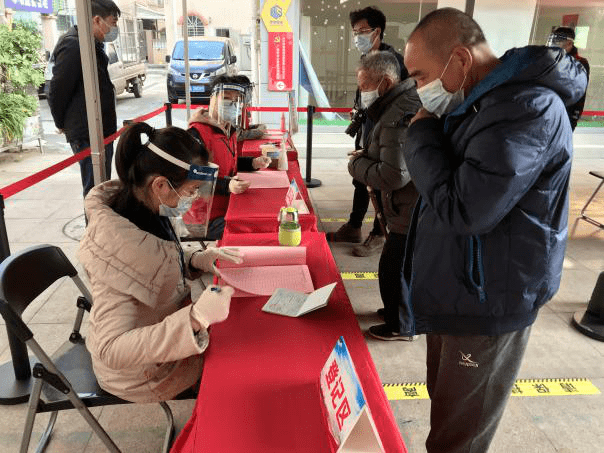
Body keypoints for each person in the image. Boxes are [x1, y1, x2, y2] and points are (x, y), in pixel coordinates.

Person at [402, 8, 587, 452]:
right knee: (446, 416)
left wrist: (421, 135)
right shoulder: (477, 104)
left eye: (421, 74)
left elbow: (465, 208)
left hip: (488, 302)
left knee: (457, 439)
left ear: (460, 60)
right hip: (459, 290)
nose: (419, 89)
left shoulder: (526, 110)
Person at [78, 122, 243, 403]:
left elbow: (152, 266)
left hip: (161, 334)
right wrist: (194, 320)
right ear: (160, 185)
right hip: (141, 374)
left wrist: (194, 260)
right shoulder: (118, 246)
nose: (192, 198)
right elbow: (111, 348)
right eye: (191, 190)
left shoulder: (143, 209)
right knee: (239, 364)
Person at [347, 51, 421, 341]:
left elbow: (394, 174)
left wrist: (357, 164)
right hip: (407, 206)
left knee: (394, 268)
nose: (362, 92)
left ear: (387, 82)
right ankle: (398, 312)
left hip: (411, 207)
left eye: (366, 86)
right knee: (400, 266)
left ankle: (401, 324)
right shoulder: (396, 105)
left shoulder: (398, 114)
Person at [330, 6, 406, 258]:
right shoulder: (367, 59)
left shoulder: (392, 61)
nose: (357, 37)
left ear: (378, 31)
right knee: (360, 179)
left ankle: (379, 234)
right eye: (354, 32)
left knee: (381, 181)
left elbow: (398, 99)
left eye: (363, 31)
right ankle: (354, 226)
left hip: (387, 130)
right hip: (368, 126)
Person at [48, 0, 120, 199]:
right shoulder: (73, 45)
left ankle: (100, 227)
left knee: (101, 187)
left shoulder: (91, 43)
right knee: (95, 192)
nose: (113, 29)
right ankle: (95, 229)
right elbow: (57, 90)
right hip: (87, 133)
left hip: (101, 130)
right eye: (112, 23)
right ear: (96, 20)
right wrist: (60, 123)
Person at [187, 75, 271, 240]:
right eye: (225, 98)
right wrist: (228, 185)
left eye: (236, 100)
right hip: (204, 219)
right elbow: (192, 178)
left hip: (228, 205)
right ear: (212, 99)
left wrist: (252, 163)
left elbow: (226, 163)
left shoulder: (229, 130)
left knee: (265, 215)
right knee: (256, 230)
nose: (231, 104)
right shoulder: (196, 134)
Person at [547, 26, 590, 130]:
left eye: (558, 42)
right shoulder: (549, 58)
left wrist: (573, 120)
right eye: (554, 41)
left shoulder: (580, 63)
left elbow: (580, 93)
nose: (554, 44)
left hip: (566, 114)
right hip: (547, 112)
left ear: (570, 44)